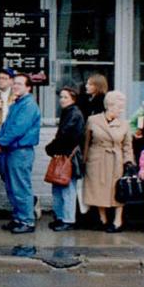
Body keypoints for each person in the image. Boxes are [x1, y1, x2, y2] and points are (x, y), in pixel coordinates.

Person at [0, 73, 41, 234]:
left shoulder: (29, 105)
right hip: (10, 150)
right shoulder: (16, 104)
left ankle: (27, 221)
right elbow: (6, 126)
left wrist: (1, 142)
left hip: (20, 151)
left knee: (20, 187)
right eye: (15, 84)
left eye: (20, 84)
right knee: (12, 187)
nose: (15, 86)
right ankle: (18, 218)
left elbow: (18, 129)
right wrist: (0, 141)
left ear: (28, 87)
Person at [83, 90, 134, 233]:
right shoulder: (93, 120)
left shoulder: (124, 124)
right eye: (119, 106)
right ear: (109, 106)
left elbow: (127, 146)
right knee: (98, 188)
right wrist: (84, 161)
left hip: (116, 160)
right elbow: (86, 142)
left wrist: (129, 162)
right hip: (97, 158)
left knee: (118, 190)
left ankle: (118, 220)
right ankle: (102, 218)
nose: (121, 110)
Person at [45, 85, 86, 232]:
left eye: (65, 97)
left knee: (67, 188)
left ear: (73, 98)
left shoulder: (73, 114)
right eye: (61, 97)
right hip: (65, 154)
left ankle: (67, 219)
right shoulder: (69, 112)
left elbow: (65, 135)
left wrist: (51, 148)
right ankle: (61, 217)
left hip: (69, 156)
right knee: (59, 187)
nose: (61, 100)